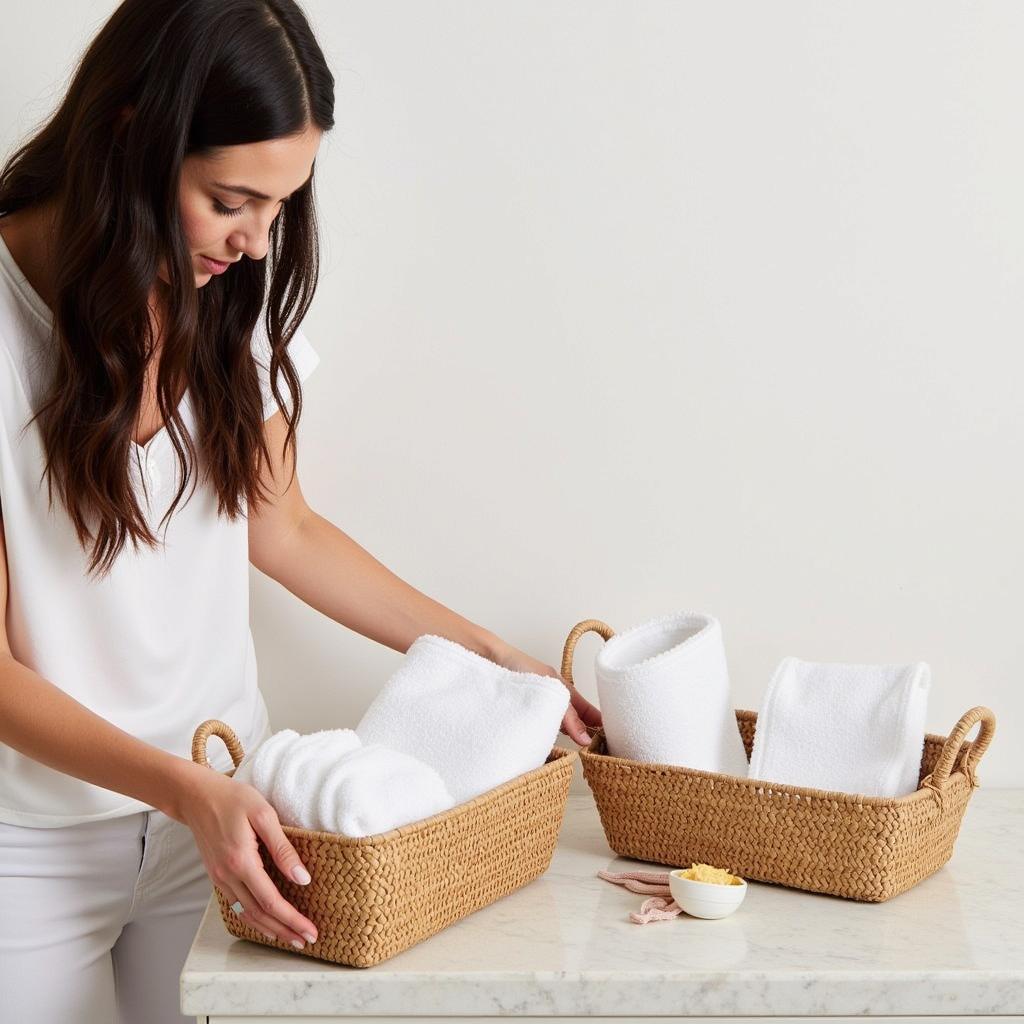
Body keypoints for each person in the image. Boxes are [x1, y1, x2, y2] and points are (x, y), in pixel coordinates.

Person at [0, 2, 602, 1021]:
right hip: (38, 845)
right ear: (131, 136)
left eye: (279, 205)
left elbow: (283, 526)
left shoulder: (220, 292)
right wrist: (182, 790)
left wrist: (486, 653)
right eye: (231, 199)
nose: (255, 240)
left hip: (233, 810)